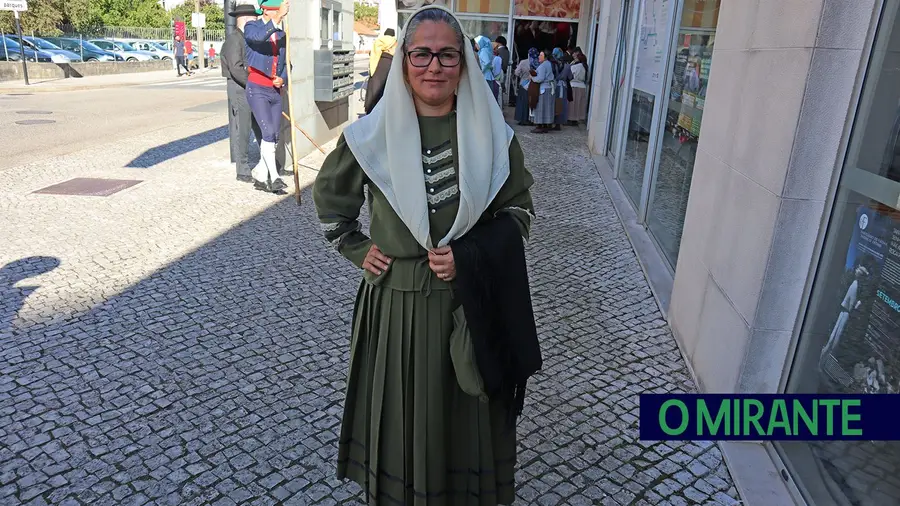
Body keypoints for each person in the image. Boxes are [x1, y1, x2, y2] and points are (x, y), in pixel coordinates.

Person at [312, 5, 537, 504]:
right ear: (405, 60)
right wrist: (356, 248)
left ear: (463, 63)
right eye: (421, 54)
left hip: (471, 303)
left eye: (447, 54)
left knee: (467, 417)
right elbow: (331, 203)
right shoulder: (370, 138)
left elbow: (519, 213)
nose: (434, 66)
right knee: (404, 418)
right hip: (397, 307)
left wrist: (470, 255)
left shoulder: (495, 138)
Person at [243, 0, 290, 193]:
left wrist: (283, 78)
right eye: (274, 10)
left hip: (274, 90)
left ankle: (260, 173)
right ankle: (275, 178)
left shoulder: (281, 34)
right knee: (268, 132)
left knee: (275, 134)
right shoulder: (251, 26)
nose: (278, 13)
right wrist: (278, 17)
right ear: (265, 10)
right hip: (257, 87)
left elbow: (286, 63)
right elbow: (257, 39)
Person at [221, 2, 262, 183]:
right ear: (244, 20)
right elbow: (236, 69)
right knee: (243, 130)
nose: (257, 22)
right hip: (240, 88)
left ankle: (270, 163)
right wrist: (254, 83)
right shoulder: (234, 40)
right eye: (254, 19)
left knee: (261, 127)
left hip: (250, 87)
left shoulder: (246, 38)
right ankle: (243, 170)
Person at [530, 49, 554, 133]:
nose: (539, 57)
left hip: (543, 88)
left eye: (541, 55)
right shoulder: (548, 64)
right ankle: (545, 125)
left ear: (545, 57)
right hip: (548, 88)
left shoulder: (544, 65)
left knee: (540, 107)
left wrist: (532, 77)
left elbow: (540, 78)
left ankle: (540, 125)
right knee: (546, 107)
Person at [513, 48, 538, 125]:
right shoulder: (537, 62)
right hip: (533, 84)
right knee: (530, 102)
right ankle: (529, 119)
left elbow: (517, 73)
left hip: (523, 83)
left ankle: (521, 119)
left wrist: (522, 75)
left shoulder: (523, 62)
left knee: (521, 102)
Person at [551, 48, 573, 130]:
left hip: (554, 85)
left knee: (553, 103)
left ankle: (551, 121)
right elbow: (570, 77)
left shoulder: (553, 64)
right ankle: (558, 123)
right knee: (562, 104)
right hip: (563, 87)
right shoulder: (567, 66)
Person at [475, 35, 498, 103]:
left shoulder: (483, 51)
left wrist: (480, 71)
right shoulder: (486, 50)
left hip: (485, 76)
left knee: (484, 98)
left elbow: (486, 62)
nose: (476, 45)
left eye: (476, 43)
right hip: (487, 75)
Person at [568, 52, 588, 125]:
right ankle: (577, 119)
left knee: (572, 104)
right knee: (579, 104)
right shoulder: (585, 67)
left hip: (574, 85)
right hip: (582, 86)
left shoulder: (575, 67)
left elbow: (570, 75)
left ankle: (571, 119)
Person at [494, 35, 511, 106]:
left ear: (499, 43)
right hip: (504, 72)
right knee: (501, 91)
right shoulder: (507, 51)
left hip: (498, 73)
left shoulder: (498, 51)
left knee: (497, 91)